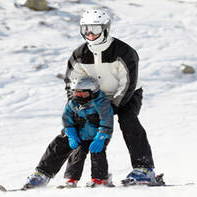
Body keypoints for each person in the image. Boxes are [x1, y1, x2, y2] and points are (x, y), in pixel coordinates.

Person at [64, 9, 157, 185]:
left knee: (128, 120)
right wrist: (77, 106)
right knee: (76, 128)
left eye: (95, 29)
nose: (90, 34)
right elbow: (71, 83)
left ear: (106, 29)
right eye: (86, 29)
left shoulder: (124, 51)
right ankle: (43, 173)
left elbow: (128, 83)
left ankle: (144, 169)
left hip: (127, 94)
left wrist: (112, 106)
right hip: (95, 96)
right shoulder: (79, 54)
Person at [23, 76, 114, 189]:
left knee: (97, 153)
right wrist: (72, 136)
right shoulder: (72, 104)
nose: (79, 96)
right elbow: (67, 120)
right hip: (81, 134)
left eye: (84, 94)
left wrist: (100, 137)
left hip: (97, 136)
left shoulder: (101, 103)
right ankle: (70, 179)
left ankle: (100, 179)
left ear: (93, 92)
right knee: (75, 152)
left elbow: (107, 121)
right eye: (77, 93)